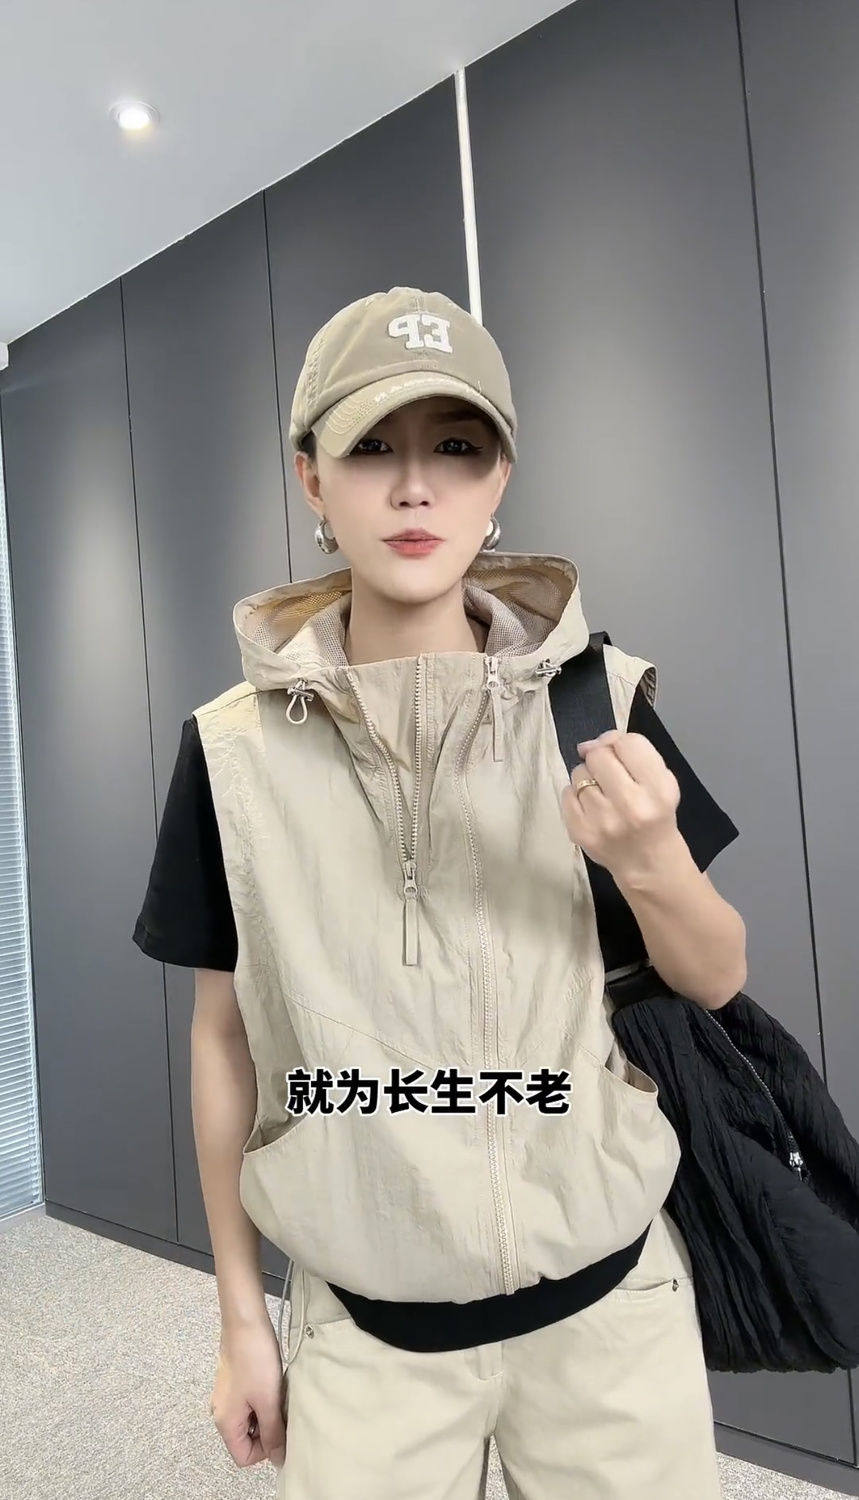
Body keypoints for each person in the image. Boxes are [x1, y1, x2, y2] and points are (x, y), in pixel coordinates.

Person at [133, 286, 738, 1498]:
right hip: (366, 1343)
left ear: (499, 475)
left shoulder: (598, 703)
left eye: (455, 447)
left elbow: (715, 976)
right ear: (311, 480)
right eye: (372, 448)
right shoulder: (231, 752)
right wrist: (242, 1317)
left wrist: (650, 860)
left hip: (612, 1319)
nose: (415, 489)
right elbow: (222, 1040)